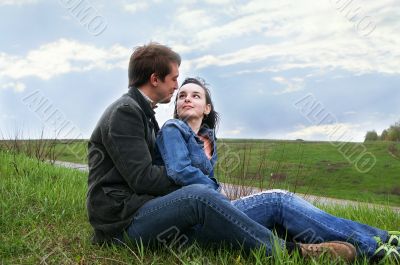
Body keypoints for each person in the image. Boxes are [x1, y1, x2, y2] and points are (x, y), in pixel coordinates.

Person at [86, 43, 399, 263]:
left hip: (162, 217)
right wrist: (206, 189)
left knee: (275, 198)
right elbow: (143, 178)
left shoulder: (145, 115)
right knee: (198, 195)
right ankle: (293, 251)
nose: (177, 86)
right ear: (155, 79)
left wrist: (206, 187)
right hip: (122, 224)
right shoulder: (126, 112)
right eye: (174, 80)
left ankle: (380, 242)